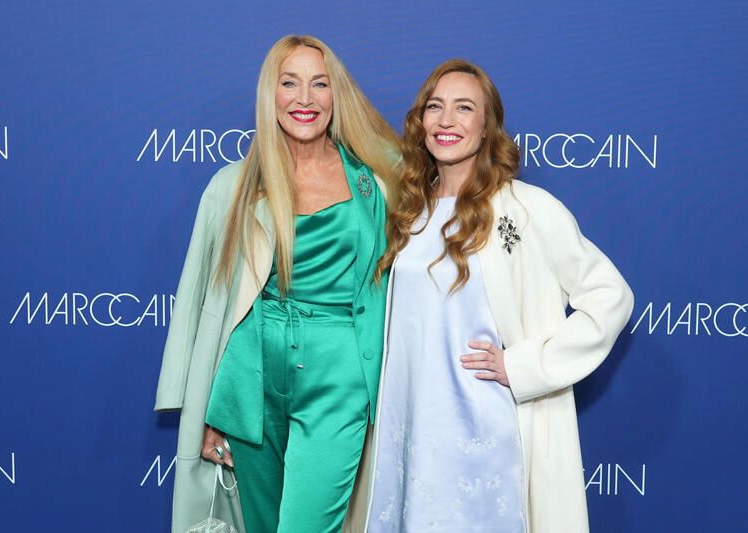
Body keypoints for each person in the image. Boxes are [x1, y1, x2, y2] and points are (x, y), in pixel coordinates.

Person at [365, 60, 634, 533]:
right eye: (435, 107)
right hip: (408, 430)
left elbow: (611, 296)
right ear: (420, 121)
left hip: (486, 431)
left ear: (487, 126)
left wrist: (525, 366)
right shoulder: (405, 212)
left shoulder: (525, 209)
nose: (446, 121)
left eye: (464, 108)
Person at [154, 35, 399, 533]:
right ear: (270, 93)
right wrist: (203, 407)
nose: (304, 99)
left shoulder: (380, 182)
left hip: (339, 377)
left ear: (337, 93)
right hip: (249, 379)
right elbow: (201, 301)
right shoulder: (232, 186)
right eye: (290, 83)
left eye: (319, 84)